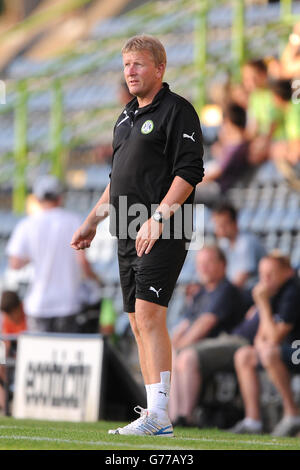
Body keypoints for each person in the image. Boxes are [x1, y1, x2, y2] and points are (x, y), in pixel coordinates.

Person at [71, 34, 204, 437]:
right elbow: (118, 179)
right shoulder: (125, 116)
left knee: (148, 315)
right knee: (135, 319)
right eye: (126, 65)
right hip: (126, 226)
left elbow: (189, 172)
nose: (130, 72)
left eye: (138, 65)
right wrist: (93, 220)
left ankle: (160, 415)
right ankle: (153, 413)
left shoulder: (177, 110)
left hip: (166, 225)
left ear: (159, 68)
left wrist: (160, 217)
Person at [6, 174, 100, 333]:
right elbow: (83, 262)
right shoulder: (74, 221)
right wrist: (97, 280)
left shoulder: (27, 224)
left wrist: (37, 255)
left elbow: (15, 264)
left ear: (37, 198)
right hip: (68, 302)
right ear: (59, 197)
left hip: (38, 304)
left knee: (40, 353)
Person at [169, 245, 246, 425]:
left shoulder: (225, 289)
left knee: (186, 356)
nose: (203, 267)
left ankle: (186, 417)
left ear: (223, 264)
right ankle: (173, 418)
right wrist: (172, 345)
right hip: (203, 346)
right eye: (200, 263)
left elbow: (204, 324)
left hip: (229, 343)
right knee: (170, 355)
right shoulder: (201, 293)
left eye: (209, 262)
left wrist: (180, 345)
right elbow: (185, 324)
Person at [230, 253, 300, 436]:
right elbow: (261, 337)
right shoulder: (272, 293)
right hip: (286, 349)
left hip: (297, 347)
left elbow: (275, 337)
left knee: (270, 353)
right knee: (244, 355)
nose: (265, 280)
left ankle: (292, 414)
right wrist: (262, 344)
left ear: (287, 272)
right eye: (262, 275)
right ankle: (253, 421)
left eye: (271, 274)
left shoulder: (292, 291)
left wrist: (262, 303)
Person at [212, 202, 265, 291]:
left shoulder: (246, 242)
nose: (219, 229)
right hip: (237, 292)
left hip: (251, 292)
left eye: (223, 224)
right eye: (217, 225)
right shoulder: (224, 243)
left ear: (235, 223)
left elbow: (242, 279)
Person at [0, 290, 26, 410]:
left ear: (18, 307)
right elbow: (6, 343)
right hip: (15, 354)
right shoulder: (7, 318)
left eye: (11, 313)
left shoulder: (29, 314)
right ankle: (6, 405)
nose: (10, 317)